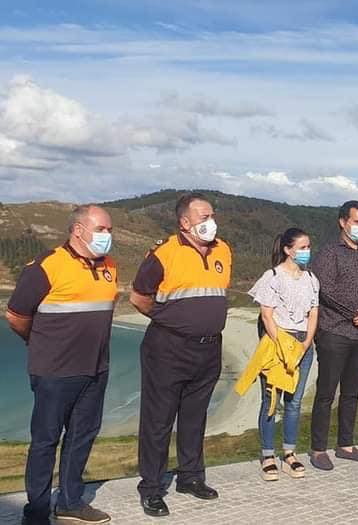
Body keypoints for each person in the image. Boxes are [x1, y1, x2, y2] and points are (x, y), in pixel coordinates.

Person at [6, 204, 117, 525]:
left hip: (96, 368)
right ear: (78, 230)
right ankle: (37, 512)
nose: (107, 236)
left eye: (109, 230)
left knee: (82, 436)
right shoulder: (46, 266)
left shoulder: (110, 265)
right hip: (54, 372)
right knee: (45, 440)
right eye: (101, 229)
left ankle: (70, 502)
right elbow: (16, 316)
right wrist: (41, 343)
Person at [129, 193, 233, 517]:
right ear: (185, 222)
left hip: (209, 348)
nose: (210, 222)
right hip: (168, 348)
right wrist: (171, 322)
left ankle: (190, 477)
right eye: (203, 217)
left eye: (212, 215)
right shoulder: (164, 253)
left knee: (194, 417)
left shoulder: (224, 250)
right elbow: (138, 297)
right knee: (158, 421)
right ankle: (151, 488)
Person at [309, 200, 358, 470]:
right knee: (326, 393)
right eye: (356, 221)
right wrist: (354, 312)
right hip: (333, 332)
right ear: (343, 222)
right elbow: (325, 291)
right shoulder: (329, 253)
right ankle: (318, 448)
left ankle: (345, 444)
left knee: (352, 393)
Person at [247, 228, 319, 480]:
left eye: (308, 247)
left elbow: (313, 313)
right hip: (278, 342)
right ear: (288, 250)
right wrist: (281, 344)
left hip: (302, 344)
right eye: (302, 247)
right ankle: (267, 454)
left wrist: (306, 343)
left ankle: (289, 453)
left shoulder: (311, 278)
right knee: (271, 401)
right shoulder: (273, 277)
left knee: (294, 402)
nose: (306, 252)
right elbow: (267, 314)